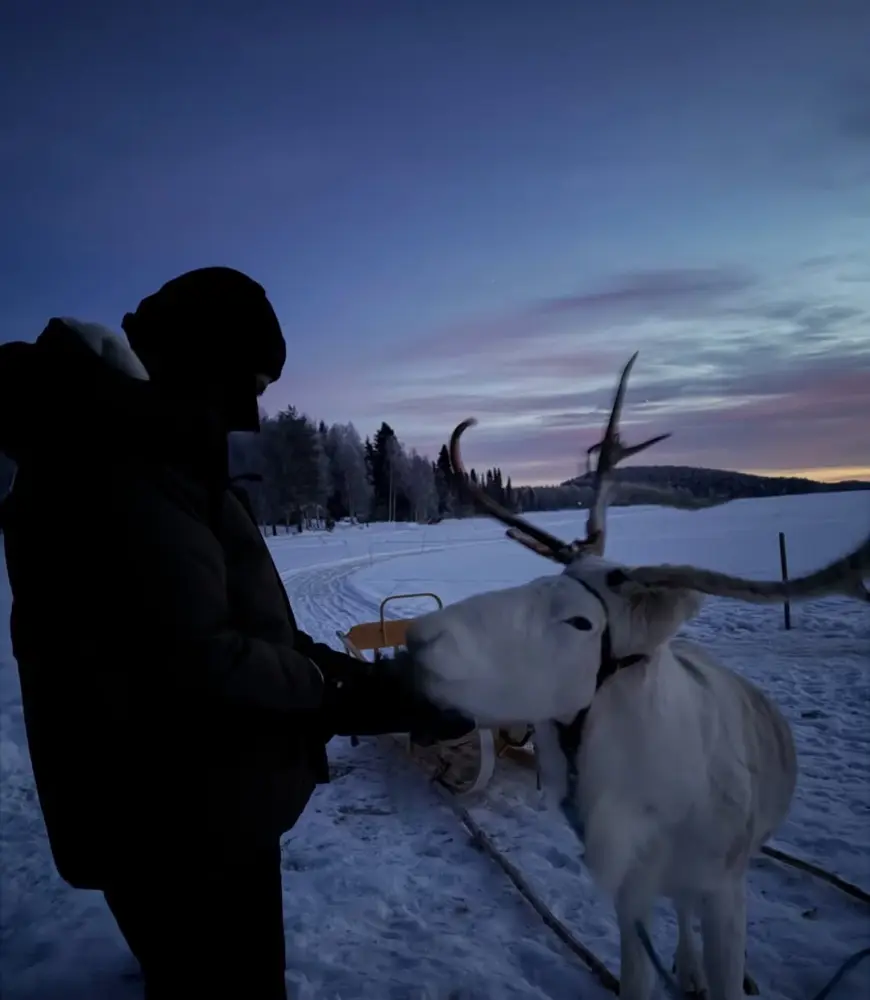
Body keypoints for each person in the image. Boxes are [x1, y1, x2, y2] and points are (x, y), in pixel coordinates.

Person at [0, 267, 474, 999]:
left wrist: (366, 685)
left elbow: (224, 626)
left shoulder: (135, 451)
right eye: (250, 387)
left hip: (176, 809)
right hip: (178, 823)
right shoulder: (118, 469)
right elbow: (200, 660)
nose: (252, 415)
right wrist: (345, 694)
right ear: (200, 364)